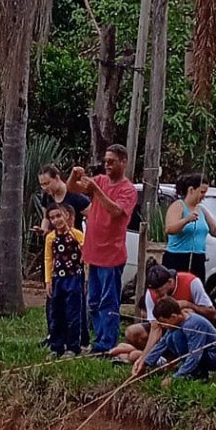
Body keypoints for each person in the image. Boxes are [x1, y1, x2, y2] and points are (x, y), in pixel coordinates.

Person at [69, 145, 138, 354]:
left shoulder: (128, 190)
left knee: (108, 301)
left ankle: (107, 343)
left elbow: (115, 211)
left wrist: (96, 190)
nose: (107, 165)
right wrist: (74, 175)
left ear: (123, 162)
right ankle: (99, 339)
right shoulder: (100, 180)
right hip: (94, 252)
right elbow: (72, 189)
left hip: (112, 254)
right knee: (93, 300)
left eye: (112, 161)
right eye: (105, 161)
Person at [110, 262, 216, 367]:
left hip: (189, 331)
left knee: (187, 314)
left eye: (159, 291)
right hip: (166, 329)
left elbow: (212, 313)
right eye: (153, 291)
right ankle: (157, 358)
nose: (156, 295)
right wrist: (144, 359)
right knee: (132, 332)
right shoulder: (151, 293)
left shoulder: (192, 282)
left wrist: (189, 304)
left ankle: (180, 359)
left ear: (170, 282)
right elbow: (155, 328)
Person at [131, 296, 216, 384]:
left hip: (212, 356)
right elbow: (162, 344)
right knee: (169, 338)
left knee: (176, 336)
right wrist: (145, 363)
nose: (162, 326)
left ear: (173, 317)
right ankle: (188, 369)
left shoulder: (193, 324)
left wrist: (176, 378)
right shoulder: (176, 323)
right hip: (198, 355)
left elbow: (195, 354)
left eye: (163, 322)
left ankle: (195, 373)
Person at [163, 173, 216, 279]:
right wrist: (186, 220)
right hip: (178, 257)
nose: (203, 196)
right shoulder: (178, 206)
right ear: (191, 190)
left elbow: (215, 230)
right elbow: (169, 229)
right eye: (202, 192)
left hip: (198, 258)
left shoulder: (201, 210)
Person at [43, 204, 85, 358]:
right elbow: (48, 259)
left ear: (66, 216)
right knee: (56, 313)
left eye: (58, 216)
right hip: (57, 279)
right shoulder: (50, 237)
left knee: (73, 313)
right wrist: (48, 281)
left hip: (74, 278)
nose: (56, 220)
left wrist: (85, 277)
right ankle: (56, 346)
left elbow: (85, 254)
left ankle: (73, 347)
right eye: (52, 218)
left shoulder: (77, 235)